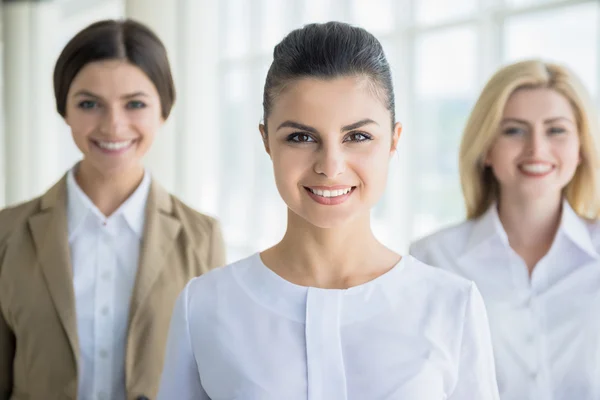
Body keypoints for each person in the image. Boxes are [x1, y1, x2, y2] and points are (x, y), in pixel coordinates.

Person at [157, 21, 499, 399]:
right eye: (301, 137)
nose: (330, 165)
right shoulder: (204, 306)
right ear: (267, 141)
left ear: (393, 141)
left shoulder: (451, 305)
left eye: (357, 137)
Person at [0, 19, 226, 400]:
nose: (113, 125)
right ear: (64, 110)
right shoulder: (7, 231)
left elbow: (211, 380)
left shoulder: (202, 238)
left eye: (135, 104)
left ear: (163, 111)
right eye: (89, 104)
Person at [410, 60, 600, 400]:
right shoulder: (432, 258)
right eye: (514, 130)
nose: (537, 149)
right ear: (486, 149)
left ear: (581, 148)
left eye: (556, 130)